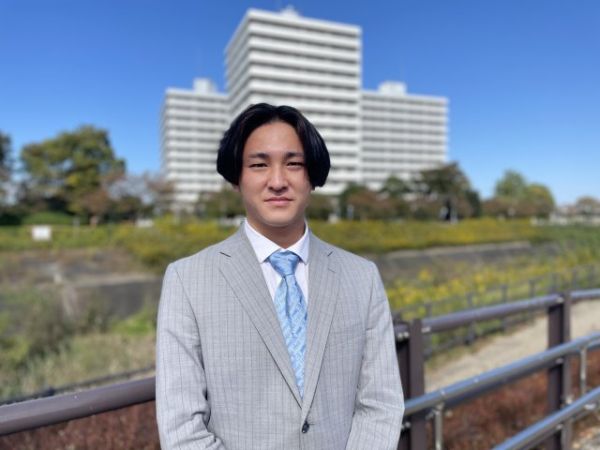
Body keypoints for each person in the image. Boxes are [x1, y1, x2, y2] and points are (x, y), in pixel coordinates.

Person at [156, 103, 404, 449]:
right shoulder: (187, 280)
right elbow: (182, 426)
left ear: (312, 176)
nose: (277, 182)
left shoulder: (362, 277)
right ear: (237, 179)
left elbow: (381, 402)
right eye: (259, 165)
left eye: (294, 164)